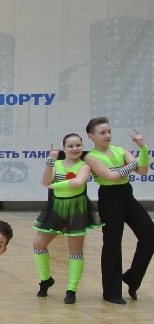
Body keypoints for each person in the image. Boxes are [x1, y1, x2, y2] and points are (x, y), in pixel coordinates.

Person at [82, 119, 152, 303]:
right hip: (109, 199)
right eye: (102, 133)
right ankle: (111, 292)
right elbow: (112, 177)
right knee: (112, 244)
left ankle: (132, 278)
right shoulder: (91, 157)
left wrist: (143, 148)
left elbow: (142, 170)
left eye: (109, 131)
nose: (107, 135)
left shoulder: (121, 150)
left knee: (149, 235)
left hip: (127, 196)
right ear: (91, 136)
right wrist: (132, 164)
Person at [33, 134, 102, 304]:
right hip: (56, 208)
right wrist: (50, 160)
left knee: (75, 251)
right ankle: (45, 279)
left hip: (76, 209)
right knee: (38, 244)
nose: (75, 149)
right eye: (70, 146)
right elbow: (47, 178)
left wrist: (53, 186)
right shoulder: (56, 164)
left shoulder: (84, 166)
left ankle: (71, 289)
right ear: (64, 148)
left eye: (78, 145)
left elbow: (77, 183)